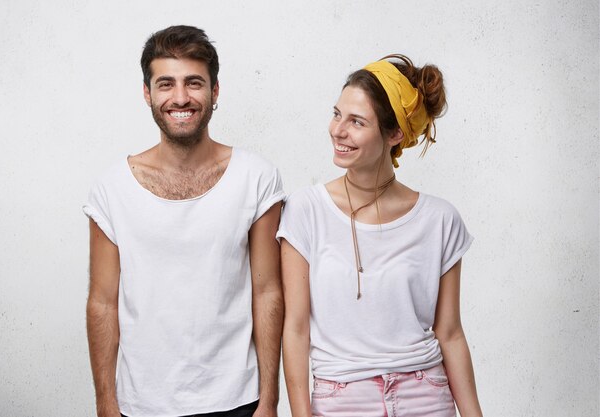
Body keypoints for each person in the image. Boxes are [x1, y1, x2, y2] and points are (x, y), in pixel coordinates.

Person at [83, 25, 284, 417]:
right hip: (141, 405)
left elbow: (269, 293)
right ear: (147, 93)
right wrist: (106, 405)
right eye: (165, 84)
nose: (180, 98)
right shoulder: (111, 188)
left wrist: (269, 400)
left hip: (237, 401)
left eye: (194, 83)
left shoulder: (256, 177)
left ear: (215, 91)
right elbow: (102, 304)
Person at [279, 54, 483, 417]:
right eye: (337, 113)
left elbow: (450, 333)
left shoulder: (439, 220)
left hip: (426, 396)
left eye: (357, 121)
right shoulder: (305, 210)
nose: (338, 130)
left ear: (394, 134)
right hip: (342, 398)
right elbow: (295, 329)